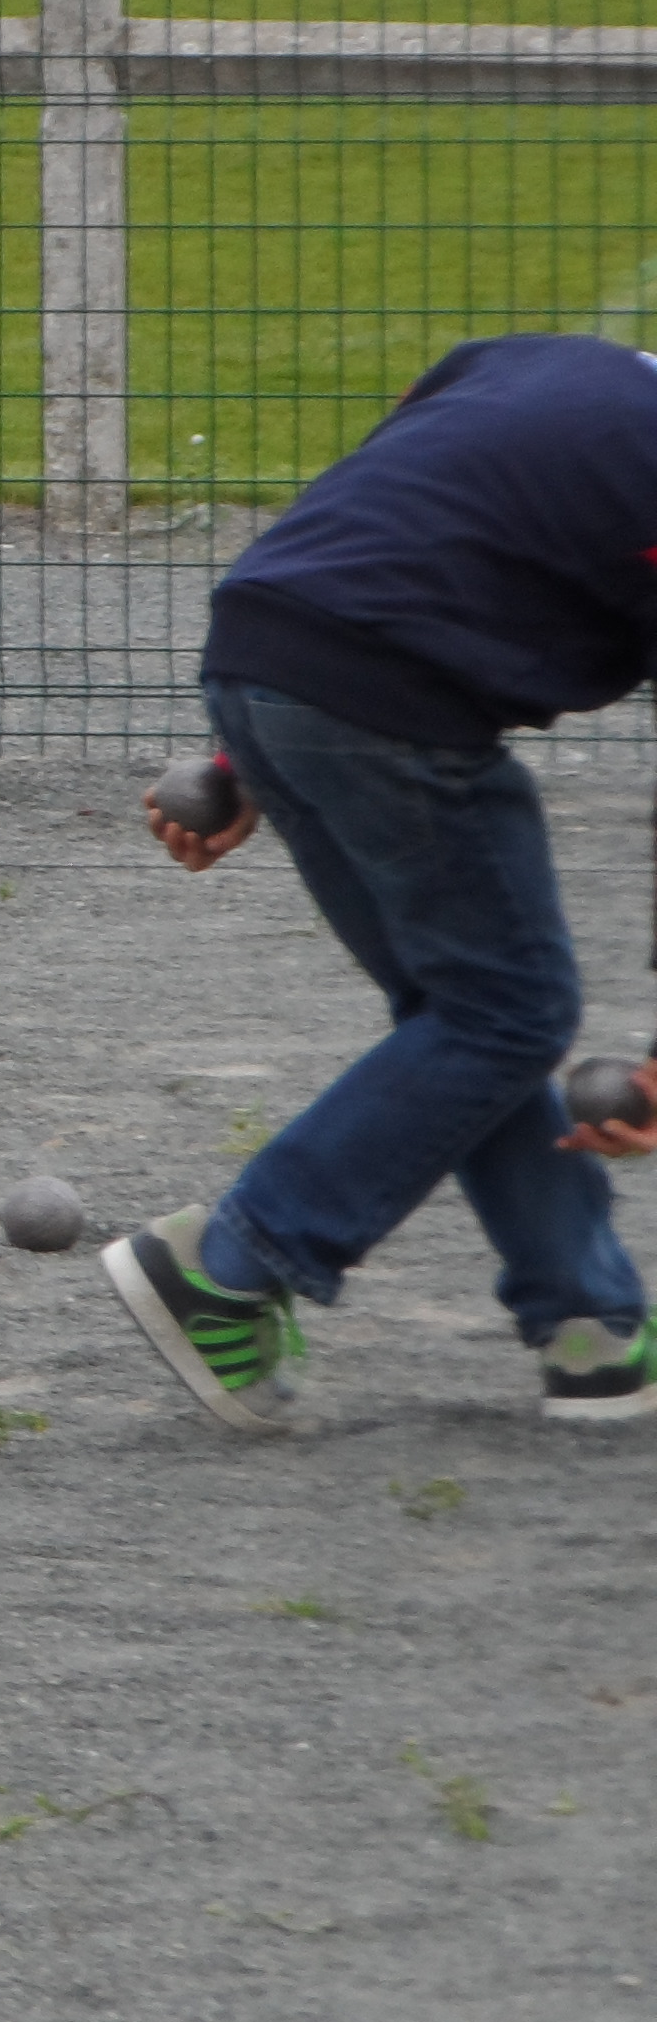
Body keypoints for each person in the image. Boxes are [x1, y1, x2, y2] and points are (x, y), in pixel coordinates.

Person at [115, 332, 657, 1432]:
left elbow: (381, 513)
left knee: (462, 1013)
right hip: (394, 702)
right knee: (511, 1010)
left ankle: (590, 1322)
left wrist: (245, 756)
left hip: (257, 642)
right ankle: (234, 1264)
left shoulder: (533, 360)